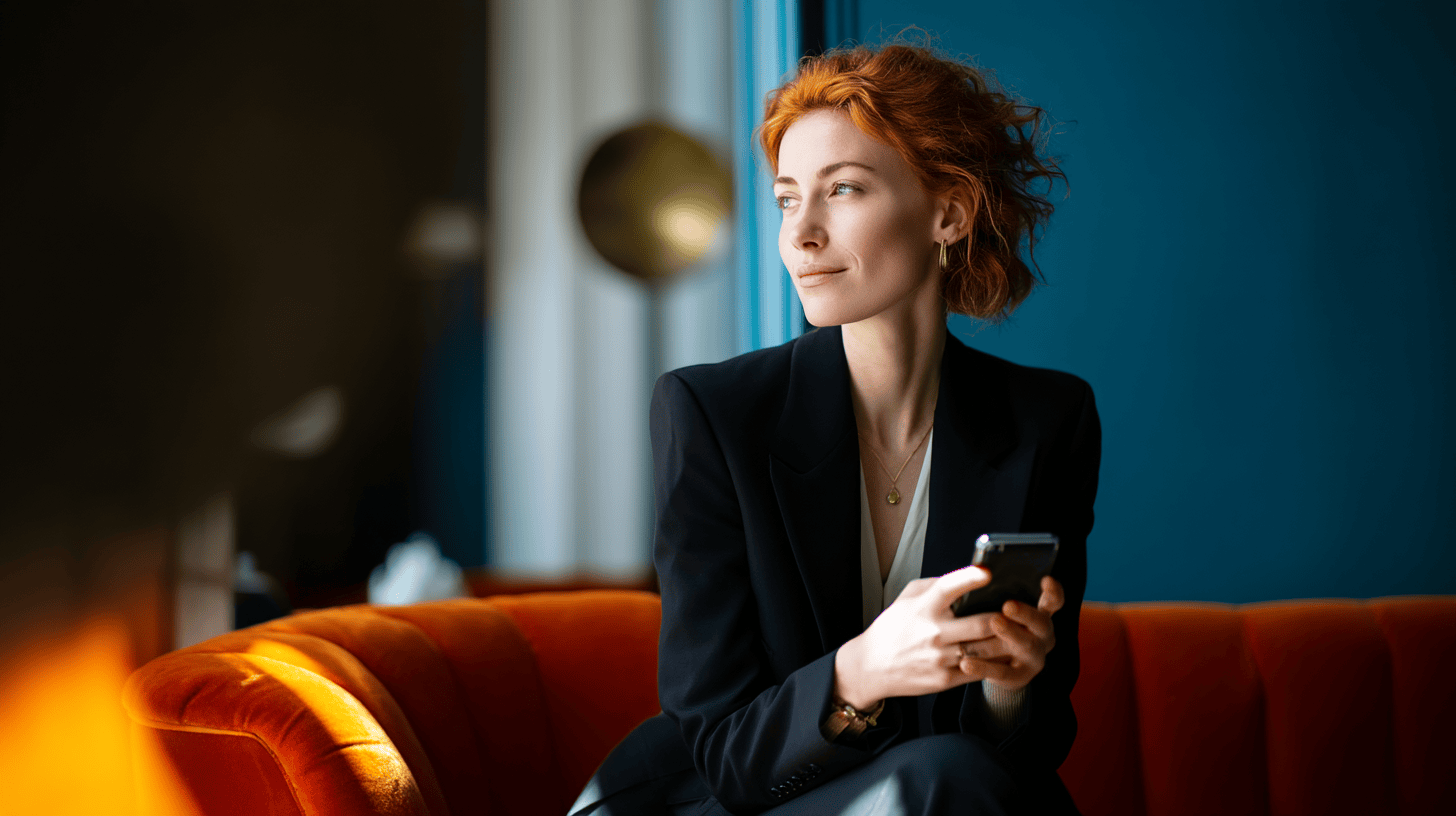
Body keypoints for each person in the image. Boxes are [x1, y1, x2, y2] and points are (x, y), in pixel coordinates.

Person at [571, 42, 1100, 816]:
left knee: (970, 781)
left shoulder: (1047, 421)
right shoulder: (712, 415)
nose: (801, 235)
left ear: (947, 213)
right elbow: (723, 750)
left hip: (942, 796)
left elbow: (1027, 754)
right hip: (717, 801)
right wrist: (863, 670)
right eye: (789, 200)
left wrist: (1010, 688)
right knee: (944, 779)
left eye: (842, 189)